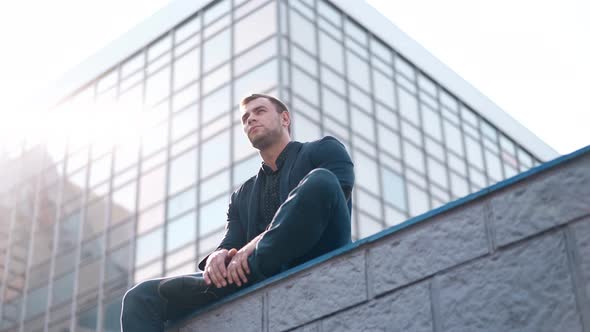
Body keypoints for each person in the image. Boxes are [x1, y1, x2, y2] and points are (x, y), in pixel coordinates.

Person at [120, 93, 355, 331]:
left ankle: (242, 275)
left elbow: (336, 191)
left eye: (259, 111)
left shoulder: (324, 149)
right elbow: (231, 242)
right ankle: (238, 277)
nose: (250, 119)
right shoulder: (242, 195)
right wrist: (217, 256)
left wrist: (253, 245)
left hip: (319, 250)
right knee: (140, 297)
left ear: (285, 119)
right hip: (245, 272)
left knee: (321, 180)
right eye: (245, 118)